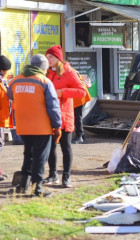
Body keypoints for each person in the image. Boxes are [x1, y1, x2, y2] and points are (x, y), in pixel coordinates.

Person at [7, 54, 62, 197]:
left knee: (28, 155)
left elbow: (9, 95)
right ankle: (37, 189)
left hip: (23, 126)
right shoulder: (44, 81)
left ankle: (23, 186)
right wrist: (57, 126)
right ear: (43, 68)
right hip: (41, 127)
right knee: (40, 158)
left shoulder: (16, 80)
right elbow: (53, 107)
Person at [43, 45, 86, 188]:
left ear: (58, 58)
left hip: (65, 117)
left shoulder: (69, 72)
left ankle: (66, 177)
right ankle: (52, 174)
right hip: (49, 116)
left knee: (66, 147)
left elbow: (82, 92)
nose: (48, 59)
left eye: (51, 57)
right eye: (47, 57)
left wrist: (63, 92)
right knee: (50, 147)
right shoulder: (46, 73)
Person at [72, 74, 91, 144]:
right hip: (79, 96)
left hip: (79, 97)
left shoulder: (68, 72)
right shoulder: (70, 71)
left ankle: (79, 136)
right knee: (77, 117)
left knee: (77, 117)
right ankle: (82, 135)